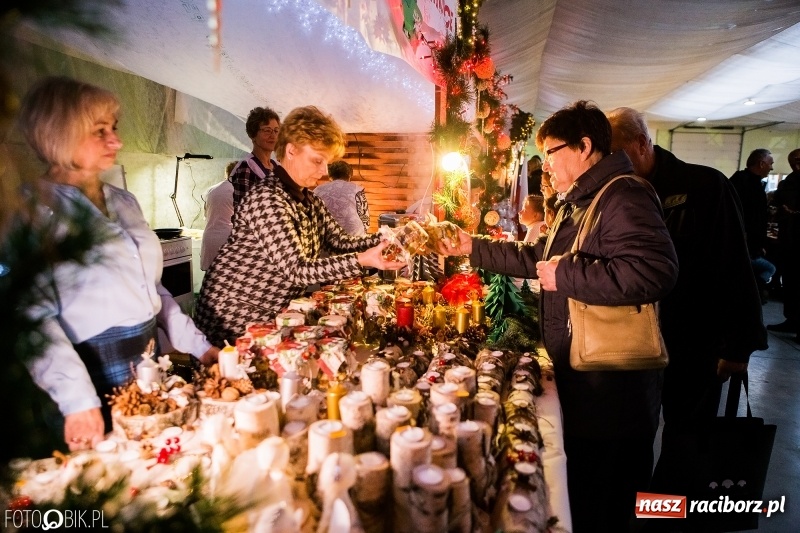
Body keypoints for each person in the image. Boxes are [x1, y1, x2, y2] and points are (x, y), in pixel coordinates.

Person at [436, 101, 678, 532]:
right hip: (588, 380)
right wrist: (469, 247)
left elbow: (654, 271)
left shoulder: (624, 194)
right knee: (584, 494)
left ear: (585, 147)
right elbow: (537, 258)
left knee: (607, 501)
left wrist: (565, 274)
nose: (544, 165)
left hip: (612, 391)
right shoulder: (580, 200)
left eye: (551, 152)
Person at [16, 76, 219, 452]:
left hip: (144, 363)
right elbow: (31, 318)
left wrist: (196, 344)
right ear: (59, 135)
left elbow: (151, 288)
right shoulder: (32, 211)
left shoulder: (123, 200)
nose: (117, 141)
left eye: (115, 128)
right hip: (85, 378)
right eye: (100, 131)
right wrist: (77, 401)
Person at [606, 108, 768, 527]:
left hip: (695, 339)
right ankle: (634, 509)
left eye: (618, 157)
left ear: (642, 144)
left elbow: (735, 266)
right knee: (634, 433)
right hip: (634, 344)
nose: (613, 169)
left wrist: (739, 345)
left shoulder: (704, 185)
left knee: (686, 438)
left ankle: (665, 517)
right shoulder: (618, 192)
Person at [195, 106, 405, 346]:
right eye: (317, 160)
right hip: (231, 319)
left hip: (269, 315)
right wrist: (363, 260)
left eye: (327, 162)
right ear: (291, 151)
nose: (325, 171)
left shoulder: (309, 200)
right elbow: (297, 270)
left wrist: (397, 238)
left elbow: (339, 242)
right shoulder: (268, 199)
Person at [729, 148, 777, 301]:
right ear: (762, 164)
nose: (772, 167)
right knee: (770, 268)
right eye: (770, 163)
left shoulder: (740, 181)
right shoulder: (750, 186)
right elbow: (753, 219)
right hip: (745, 245)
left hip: (743, 243)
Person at [768, 148, 800, 338]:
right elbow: (776, 202)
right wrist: (781, 209)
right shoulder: (789, 182)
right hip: (789, 240)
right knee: (790, 282)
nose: (796, 164)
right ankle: (792, 319)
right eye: (793, 160)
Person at [230, 106, 281, 208]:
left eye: (276, 130)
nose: (273, 136)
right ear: (253, 135)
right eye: (267, 130)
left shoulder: (277, 167)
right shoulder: (246, 169)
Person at [313, 160, 370, 236]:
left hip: (325, 235)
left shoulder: (317, 190)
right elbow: (365, 220)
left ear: (330, 176)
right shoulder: (357, 189)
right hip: (353, 235)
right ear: (349, 176)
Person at [200, 161, 237, 270]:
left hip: (210, 239)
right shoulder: (238, 190)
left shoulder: (211, 190)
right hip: (227, 240)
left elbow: (207, 216)